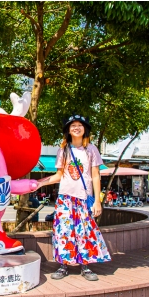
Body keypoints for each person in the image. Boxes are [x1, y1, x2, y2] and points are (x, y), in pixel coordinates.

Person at [37, 114, 112, 281]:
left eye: (80, 125)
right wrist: (40, 183)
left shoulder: (91, 149)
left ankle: (85, 266)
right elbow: (59, 175)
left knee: (84, 232)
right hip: (65, 198)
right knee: (64, 232)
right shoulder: (63, 150)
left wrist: (98, 201)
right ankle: (63, 265)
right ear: (68, 130)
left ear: (85, 129)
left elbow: (96, 175)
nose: (76, 127)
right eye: (73, 125)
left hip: (83, 199)